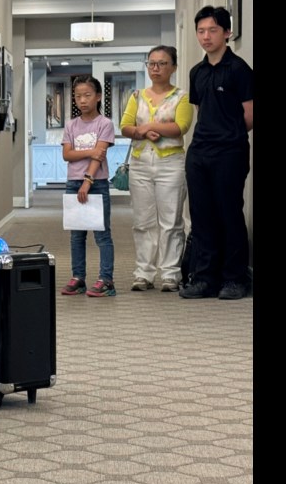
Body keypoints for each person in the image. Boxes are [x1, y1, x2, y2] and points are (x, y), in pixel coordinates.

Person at [180, 6, 254, 300]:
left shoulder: (239, 70)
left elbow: (249, 115)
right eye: (201, 31)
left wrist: (229, 135)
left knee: (229, 213)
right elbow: (201, 112)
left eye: (212, 30)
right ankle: (205, 278)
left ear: (227, 32)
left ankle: (235, 278)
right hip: (199, 153)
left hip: (230, 152)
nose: (206, 36)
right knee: (201, 216)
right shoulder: (196, 72)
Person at [120, 46, 194, 293]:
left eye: (162, 63)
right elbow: (125, 127)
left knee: (171, 221)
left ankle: (171, 274)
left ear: (173, 67)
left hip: (171, 164)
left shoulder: (181, 97)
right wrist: (141, 131)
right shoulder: (136, 95)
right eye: (151, 63)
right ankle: (144, 273)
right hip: (140, 164)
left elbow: (180, 126)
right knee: (143, 221)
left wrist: (148, 127)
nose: (156, 68)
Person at [60, 76, 116, 298]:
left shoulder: (105, 124)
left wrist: (88, 181)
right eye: (78, 96)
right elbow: (67, 154)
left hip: (96, 182)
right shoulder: (71, 125)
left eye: (87, 95)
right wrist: (89, 151)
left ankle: (106, 279)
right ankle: (78, 277)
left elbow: (99, 155)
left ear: (98, 96)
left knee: (102, 235)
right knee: (77, 235)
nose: (82, 100)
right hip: (72, 183)